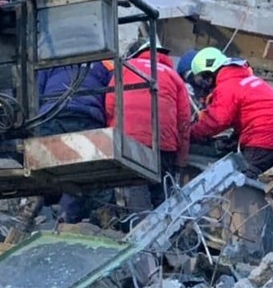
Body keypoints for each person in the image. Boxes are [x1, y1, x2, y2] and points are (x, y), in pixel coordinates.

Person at [189, 47, 273, 177]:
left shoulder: (227, 86)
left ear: (209, 74)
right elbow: (251, 112)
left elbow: (217, 120)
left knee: (245, 179)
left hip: (266, 133)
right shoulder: (245, 79)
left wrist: (190, 135)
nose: (205, 85)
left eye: (203, 80)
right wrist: (235, 139)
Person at [105, 39, 191, 210]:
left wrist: (113, 138)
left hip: (129, 140)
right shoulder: (173, 75)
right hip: (164, 143)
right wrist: (181, 160)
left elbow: (109, 106)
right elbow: (184, 121)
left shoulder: (123, 69)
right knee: (163, 192)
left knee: (136, 184)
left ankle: (138, 227)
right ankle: (165, 229)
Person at [35, 62, 113, 223]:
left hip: (52, 116)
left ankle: (31, 210)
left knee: (43, 170)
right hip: (88, 118)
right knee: (83, 172)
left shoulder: (49, 62)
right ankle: (73, 216)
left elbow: (35, 91)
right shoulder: (103, 64)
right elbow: (111, 97)